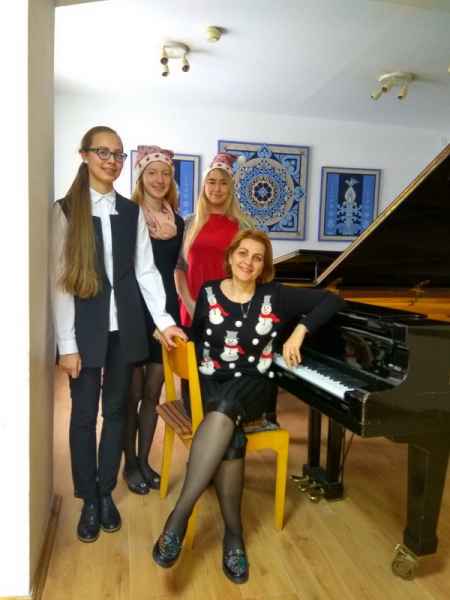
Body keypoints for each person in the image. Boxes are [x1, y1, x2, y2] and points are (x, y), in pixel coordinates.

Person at [152, 229, 344, 583]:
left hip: (253, 386)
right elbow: (198, 337)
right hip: (209, 383)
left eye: (257, 258)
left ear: (264, 266)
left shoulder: (276, 296)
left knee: (226, 409)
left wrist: (299, 331)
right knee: (231, 434)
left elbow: (332, 300)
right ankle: (234, 536)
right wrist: (172, 332)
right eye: (243, 254)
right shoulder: (209, 291)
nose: (248, 262)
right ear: (230, 257)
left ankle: (178, 519)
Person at [51, 126, 186, 543]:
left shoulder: (131, 212)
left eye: (118, 154)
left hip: (125, 330)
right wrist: (67, 344)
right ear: (85, 155)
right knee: (83, 416)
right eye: (103, 152)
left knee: (116, 413)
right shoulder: (65, 210)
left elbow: (146, 272)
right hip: (85, 333)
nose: (111, 161)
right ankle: (88, 498)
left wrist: (164, 321)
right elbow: (60, 281)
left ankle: (106, 490)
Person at [123, 146, 184, 495]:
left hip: (165, 311)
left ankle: (145, 461)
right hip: (135, 310)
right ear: (141, 177)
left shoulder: (178, 221)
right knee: (131, 394)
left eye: (165, 174)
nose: (159, 179)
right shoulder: (129, 215)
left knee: (152, 393)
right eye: (152, 173)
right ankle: (129, 464)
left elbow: (180, 269)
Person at [175, 152, 253, 327]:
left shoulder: (244, 226)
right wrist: (190, 305)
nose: (217, 189)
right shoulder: (188, 223)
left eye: (223, 183)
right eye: (211, 182)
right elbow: (179, 267)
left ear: (231, 188)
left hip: (230, 310)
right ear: (204, 185)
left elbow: (249, 271)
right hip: (191, 308)